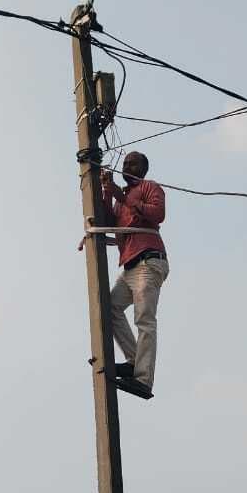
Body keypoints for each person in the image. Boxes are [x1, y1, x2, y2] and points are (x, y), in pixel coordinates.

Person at [101, 151, 168, 400]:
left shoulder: (150, 187)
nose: (126, 167)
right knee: (109, 307)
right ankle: (133, 361)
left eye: (133, 164)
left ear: (143, 169)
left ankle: (143, 379)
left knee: (144, 320)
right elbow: (110, 221)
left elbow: (157, 214)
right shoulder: (122, 198)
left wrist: (123, 197)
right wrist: (108, 192)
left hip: (148, 260)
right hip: (131, 266)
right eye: (125, 163)